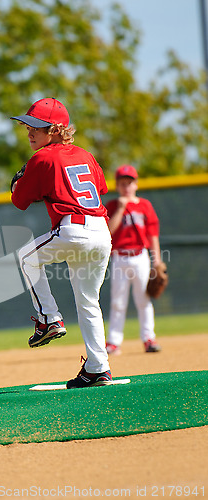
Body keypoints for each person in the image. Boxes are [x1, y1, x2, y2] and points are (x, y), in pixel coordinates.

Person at [10, 97, 112, 389]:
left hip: (73, 229)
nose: (29, 131)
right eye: (27, 125)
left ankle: (48, 319)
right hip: (101, 233)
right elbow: (100, 188)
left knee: (27, 257)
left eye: (36, 127)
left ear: (55, 129)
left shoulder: (41, 158)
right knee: (89, 302)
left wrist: (19, 183)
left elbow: (19, 202)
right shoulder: (86, 154)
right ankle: (97, 368)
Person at [105, 165, 162, 355]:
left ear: (136, 184)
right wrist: (121, 208)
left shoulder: (145, 205)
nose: (126, 187)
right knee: (118, 302)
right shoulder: (112, 206)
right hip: (120, 257)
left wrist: (158, 261)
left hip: (140, 257)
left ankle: (148, 339)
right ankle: (114, 342)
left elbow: (153, 235)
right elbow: (108, 231)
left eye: (129, 183)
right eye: (122, 183)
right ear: (117, 185)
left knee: (143, 299)